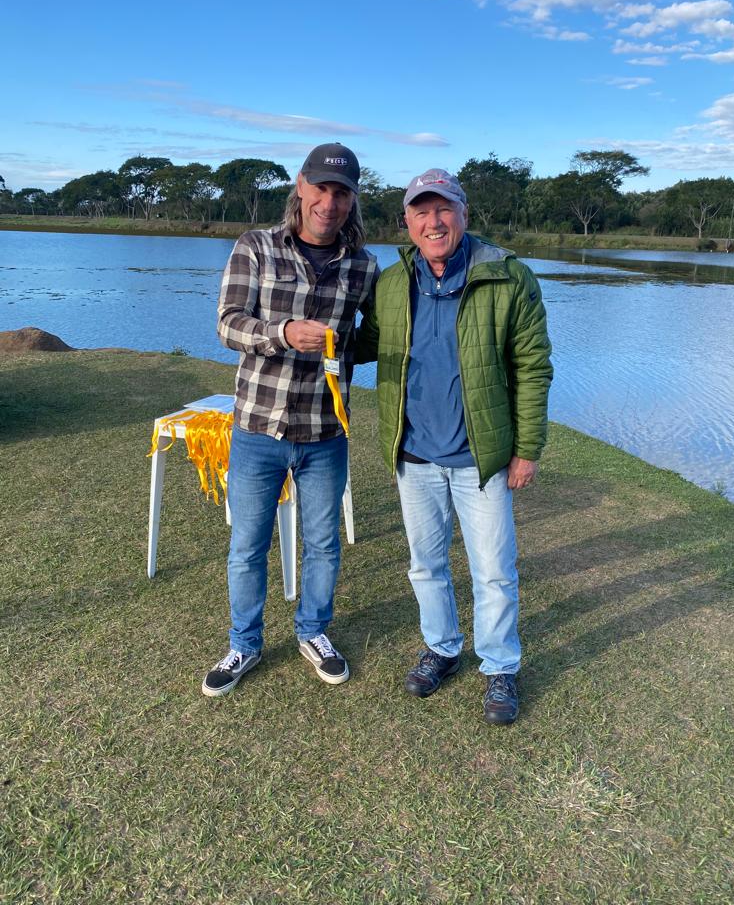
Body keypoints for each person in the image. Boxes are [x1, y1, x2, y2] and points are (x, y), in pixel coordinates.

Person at [356, 169, 552, 724]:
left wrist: (527, 449)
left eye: (443, 209)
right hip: (414, 454)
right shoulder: (394, 282)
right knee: (425, 566)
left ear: (464, 214)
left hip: (479, 458)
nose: (433, 222)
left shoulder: (508, 276)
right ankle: (441, 648)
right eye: (421, 212)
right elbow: (367, 343)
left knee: (493, 571)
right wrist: (305, 333)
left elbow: (533, 367)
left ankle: (500, 666)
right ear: (407, 222)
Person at [202, 143, 378, 697]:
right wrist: (281, 334)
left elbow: (373, 338)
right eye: (321, 188)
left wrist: (348, 348)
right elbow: (228, 324)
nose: (329, 202)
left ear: (352, 199)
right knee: (247, 546)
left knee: (323, 544)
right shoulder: (255, 246)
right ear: (301, 186)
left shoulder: (364, 265)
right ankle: (244, 643)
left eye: (341, 192)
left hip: (326, 432)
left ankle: (313, 631)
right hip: (258, 428)